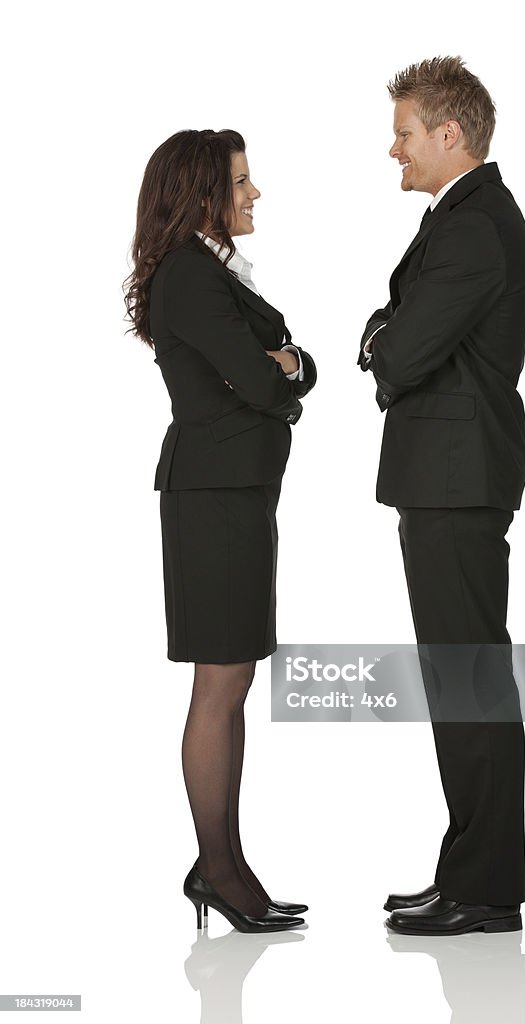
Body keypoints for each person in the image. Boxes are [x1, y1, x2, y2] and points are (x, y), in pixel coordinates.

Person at [358, 57, 525, 936]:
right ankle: (469, 870)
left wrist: (382, 340)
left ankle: (485, 890)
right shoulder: (465, 219)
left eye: (403, 132)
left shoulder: (473, 227)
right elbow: (397, 330)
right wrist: (387, 333)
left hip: (457, 478)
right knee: (459, 676)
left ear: (448, 133)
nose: (394, 149)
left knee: (468, 678)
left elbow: (401, 347)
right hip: (449, 476)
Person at [124, 129, 316, 933]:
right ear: (204, 191)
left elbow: (289, 367)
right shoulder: (192, 279)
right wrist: (282, 370)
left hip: (231, 496)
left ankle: (225, 866)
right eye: (241, 180)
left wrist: (288, 365)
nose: (254, 192)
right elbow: (264, 384)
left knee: (230, 684)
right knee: (220, 685)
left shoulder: (204, 273)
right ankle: (218, 870)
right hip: (215, 499)